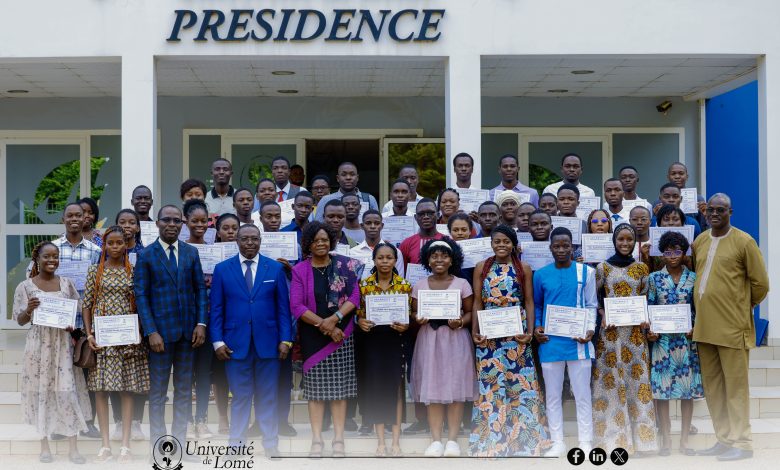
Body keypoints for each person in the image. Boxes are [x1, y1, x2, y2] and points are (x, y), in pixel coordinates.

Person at [693, 193, 769, 461]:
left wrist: (741, 306)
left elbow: (761, 284)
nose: (714, 214)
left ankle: (743, 443)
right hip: (704, 328)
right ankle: (724, 439)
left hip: (732, 328)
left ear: (730, 212)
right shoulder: (700, 241)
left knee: (736, 389)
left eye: (721, 210)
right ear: (705, 213)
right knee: (714, 389)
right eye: (710, 210)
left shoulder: (744, 241)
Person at [210, 224, 292, 459]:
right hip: (234, 345)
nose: (250, 243)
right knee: (240, 396)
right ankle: (236, 445)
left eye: (254, 239)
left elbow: (283, 310)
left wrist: (286, 339)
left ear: (260, 240)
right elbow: (216, 309)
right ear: (236, 240)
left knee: (268, 395)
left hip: (269, 344)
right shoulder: (222, 269)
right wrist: (217, 341)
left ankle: (271, 444)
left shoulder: (274, 269)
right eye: (245, 239)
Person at [134, 205, 208, 450]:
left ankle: (179, 447)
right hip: (160, 337)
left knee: (184, 393)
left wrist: (201, 323)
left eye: (177, 221)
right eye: (167, 220)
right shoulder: (146, 255)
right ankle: (158, 447)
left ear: (183, 223)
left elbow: (200, 290)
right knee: (157, 394)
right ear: (157, 223)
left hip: (188, 335)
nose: (172, 224)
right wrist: (151, 331)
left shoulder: (190, 253)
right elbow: (141, 296)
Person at [470, 225, 548, 457]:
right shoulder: (481, 267)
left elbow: (529, 301)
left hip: (516, 333)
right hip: (490, 334)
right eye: (497, 241)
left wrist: (530, 331)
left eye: (506, 241)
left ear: (513, 244)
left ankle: (524, 441)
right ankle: (491, 442)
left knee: (520, 385)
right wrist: (475, 331)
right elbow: (477, 301)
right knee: (491, 385)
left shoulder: (523, 267)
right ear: (491, 243)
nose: (501, 245)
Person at [13, 241, 91, 464]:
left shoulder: (66, 284)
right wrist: (29, 310)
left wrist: (72, 326)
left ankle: (73, 448)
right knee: (42, 392)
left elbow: (76, 310)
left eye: (55, 256)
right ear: (37, 259)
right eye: (46, 257)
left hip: (62, 345)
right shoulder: (25, 286)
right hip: (38, 346)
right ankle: (44, 445)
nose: (51, 261)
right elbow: (19, 320)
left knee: (67, 392)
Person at [290, 222, 363, 458]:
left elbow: (355, 295)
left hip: (343, 334)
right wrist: (325, 326)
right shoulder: (300, 270)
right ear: (308, 244)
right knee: (315, 391)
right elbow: (297, 306)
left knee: (340, 391)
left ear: (330, 241)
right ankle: (317, 439)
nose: (320, 244)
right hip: (313, 335)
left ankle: (339, 439)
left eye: (324, 240)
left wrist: (336, 318)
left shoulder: (344, 264)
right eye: (315, 240)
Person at [82, 227, 150, 463]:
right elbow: (87, 304)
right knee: (101, 389)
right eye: (110, 243)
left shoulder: (134, 271)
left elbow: (142, 302)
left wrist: (140, 332)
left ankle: (125, 446)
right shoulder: (95, 272)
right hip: (103, 338)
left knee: (125, 388)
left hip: (127, 339)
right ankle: (105, 445)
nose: (114, 247)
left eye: (119, 243)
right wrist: (89, 333)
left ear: (126, 245)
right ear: (104, 245)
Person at [592, 224, 657, 454]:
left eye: (630, 239)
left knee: (636, 385)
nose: (625, 243)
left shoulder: (641, 269)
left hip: (635, 337)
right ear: (614, 241)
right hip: (610, 336)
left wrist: (645, 318)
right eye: (621, 239)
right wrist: (602, 314)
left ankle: (643, 442)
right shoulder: (602, 269)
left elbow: (646, 298)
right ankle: (614, 441)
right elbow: (596, 300)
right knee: (611, 386)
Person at [533, 227, 597, 457]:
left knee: (582, 394)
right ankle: (557, 441)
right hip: (550, 342)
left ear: (573, 247)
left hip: (578, 342)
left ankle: (585, 441)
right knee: (553, 395)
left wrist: (590, 329)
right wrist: (537, 326)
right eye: (557, 246)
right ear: (550, 248)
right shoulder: (540, 274)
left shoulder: (586, 272)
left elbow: (591, 305)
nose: (561, 250)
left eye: (565, 245)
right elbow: (538, 305)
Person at [411, 239, 475, 457]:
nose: (439, 260)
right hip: (430, 339)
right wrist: (417, 318)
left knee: (456, 388)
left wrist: (461, 322)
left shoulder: (462, 284)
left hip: (455, 339)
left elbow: (469, 313)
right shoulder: (419, 285)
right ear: (427, 259)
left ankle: (452, 441)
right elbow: (414, 313)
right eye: (434, 256)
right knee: (433, 388)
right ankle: (436, 440)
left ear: (452, 259)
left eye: (444, 256)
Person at [646, 231, 703, 457]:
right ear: (662, 254)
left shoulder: (694, 278)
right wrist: (649, 330)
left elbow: (698, 309)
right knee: (662, 392)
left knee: (687, 393)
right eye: (668, 251)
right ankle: (666, 440)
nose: (672, 256)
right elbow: (649, 308)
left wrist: (695, 327)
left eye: (677, 251)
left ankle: (685, 441)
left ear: (684, 252)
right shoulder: (653, 278)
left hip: (685, 342)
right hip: (662, 341)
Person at [355, 243, 412, 456]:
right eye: (381, 258)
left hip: (395, 340)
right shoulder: (364, 285)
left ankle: (395, 442)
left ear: (395, 260)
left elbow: (410, 315)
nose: (385, 261)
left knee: (396, 390)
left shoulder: (405, 285)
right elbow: (358, 313)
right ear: (374, 260)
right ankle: (380, 442)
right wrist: (360, 321)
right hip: (373, 342)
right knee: (377, 389)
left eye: (389, 257)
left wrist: (407, 325)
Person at [53, 202, 102, 439]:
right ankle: (61, 424)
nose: (74, 219)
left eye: (79, 215)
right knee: (61, 373)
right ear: (63, 219)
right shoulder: (51, 248)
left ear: (85, 219)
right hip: (58, 322)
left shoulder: (95, 251)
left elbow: (99, 287)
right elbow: (36, 280)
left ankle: (88, 422)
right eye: (69, 215)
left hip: (85, 322)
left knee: (86, 371)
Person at [109, 210, 147, 441]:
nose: (127, 226)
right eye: (122, 222)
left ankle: (136, 422)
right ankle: (118, 421)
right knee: (115, 373)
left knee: (137, 374)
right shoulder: (107, 255)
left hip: (138, 321)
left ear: (139, 227)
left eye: (132, 222)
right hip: (113, 323)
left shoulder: (146, 254)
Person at [181, 199, 216, 439]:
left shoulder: (216, 248)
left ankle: (202, 420)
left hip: (210, 318)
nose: (200, 225)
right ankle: (184, 421)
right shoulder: (181, 250)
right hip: (185, 318)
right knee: (185, 373)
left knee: (204, 372)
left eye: (204, 221)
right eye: (195, 221)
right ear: (186, 222)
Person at [349, 210, 405, 276]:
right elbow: (351, 280)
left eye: (377, 223)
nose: (372, 226)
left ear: (382, 226)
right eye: (368, 223)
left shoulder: (396, 252)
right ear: (362, 226)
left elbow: (400, 279)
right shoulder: (352, 252)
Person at [658, 162, 709, 230]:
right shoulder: (658, 202)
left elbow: (702, 224)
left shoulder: (698, 199)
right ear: (668, 177)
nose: (677, 177)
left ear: (687, 177)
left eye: (681, 173)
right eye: (673, 174)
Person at [399, 198, 445, 268]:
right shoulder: (406, 244)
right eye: (421, 214)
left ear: (438, 215)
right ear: (415, 217)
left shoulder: (447, 241)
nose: (426, 217)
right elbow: (403, 273)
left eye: (430, 213)